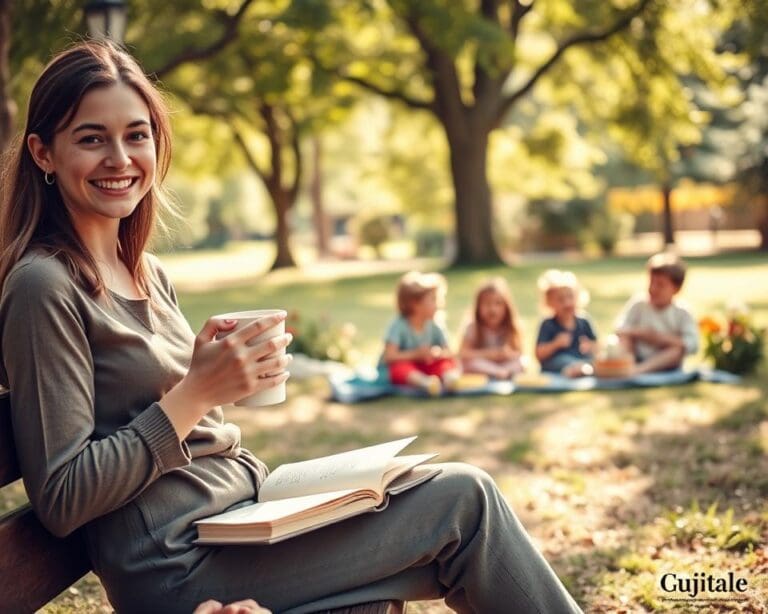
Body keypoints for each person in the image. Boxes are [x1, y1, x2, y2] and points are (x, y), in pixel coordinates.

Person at [0, 41, 582, 614]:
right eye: (91, 138)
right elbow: (64, 496)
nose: (121, 159)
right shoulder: (43, 286)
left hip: (247, 521)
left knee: (441, 533)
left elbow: (174, 424)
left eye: (136, 134)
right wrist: (195, 392)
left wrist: (222, 383)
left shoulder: (145, 271)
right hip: (179, 564)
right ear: (43, 153)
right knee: (466, 501)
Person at [615, 252, 699, 374]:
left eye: (660, 285)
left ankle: (639, 370)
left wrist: (660, 339)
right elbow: (619, 328)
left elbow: (692, 344)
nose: (653, 289)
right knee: (624, 339)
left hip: (665, 361)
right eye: (651, 282)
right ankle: (629, 366)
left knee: (677, 350)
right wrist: (640, 333)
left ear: (676, 288)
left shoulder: (682, 312)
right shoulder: (639, 304)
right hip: (636, 356)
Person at [379, 271, 461, 396]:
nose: (439, 304)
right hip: (408, 369)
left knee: (447, 363)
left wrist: (437, 354)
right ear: (415, 304)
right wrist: (416, 354)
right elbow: (389, 357)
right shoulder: (399, 325)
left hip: (427, 366)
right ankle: (425, 383)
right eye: (433, 299)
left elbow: (449, 352)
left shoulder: (435, 324)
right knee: (399, 368)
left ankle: (450, 380)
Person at [458, 277, 525, 380]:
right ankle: (498, 373)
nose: (492, 309)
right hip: (482, 364)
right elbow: (463, 354)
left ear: (506, 306)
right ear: (478, 307)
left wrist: (506, 355)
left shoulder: (511, 326)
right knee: (469, 363)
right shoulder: (472, 327)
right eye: (487, 304)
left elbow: (519, 352)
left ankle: (500, 373)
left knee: (522, 362)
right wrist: (490, 354)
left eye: (498, 304)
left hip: (504, 365)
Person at [535, 269, 597, 377]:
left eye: (570, 297)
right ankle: (578, 370)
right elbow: (539, 354)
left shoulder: (584, 321)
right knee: (562, 360)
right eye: (560, 299)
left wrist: (590, 347)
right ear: (550, 303)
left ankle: (583, 369)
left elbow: (596, 345)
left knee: (595, 360)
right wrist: (555, 344)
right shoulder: (548, 324)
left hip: (581, 358)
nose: (567, 303)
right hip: (556, 361)